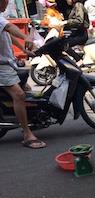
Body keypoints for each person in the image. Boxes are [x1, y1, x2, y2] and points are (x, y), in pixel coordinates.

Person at [0, 0, 46, 149]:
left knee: (26, 90)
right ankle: (27, 134)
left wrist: (24, 49)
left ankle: (28, 120)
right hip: (1, 66)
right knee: (19, 95)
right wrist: (26, 37)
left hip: (8, 63)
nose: (6, 2)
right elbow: (9, 27)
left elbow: (7, 34)